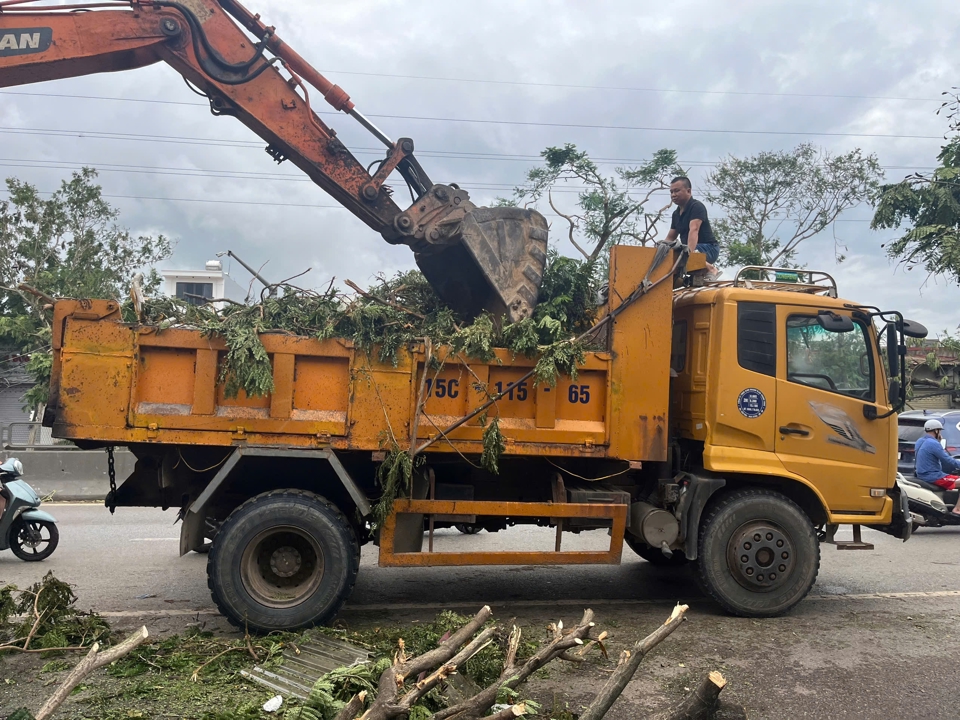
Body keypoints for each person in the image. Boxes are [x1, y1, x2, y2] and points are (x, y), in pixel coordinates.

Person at [664, 176, 721, 279]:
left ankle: (710, 269)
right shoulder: (676, 214)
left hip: (709, 248)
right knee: (669, 253)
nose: (673, 195)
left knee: (680, 254)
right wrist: (658, 251)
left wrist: (688, 253)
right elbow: (670, 238)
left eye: (676, 191)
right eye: (671, 192)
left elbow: (694, 230)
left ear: (688, 191)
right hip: (691, 248)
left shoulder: (696, 207)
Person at [914, 419, 960, 515]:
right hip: (934, 476)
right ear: (936, 431)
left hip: (921, 474)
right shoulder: (933, 443)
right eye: (940, 431)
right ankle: (957, 509)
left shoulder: (920, 441)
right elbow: (947, 460)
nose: (940, 434)